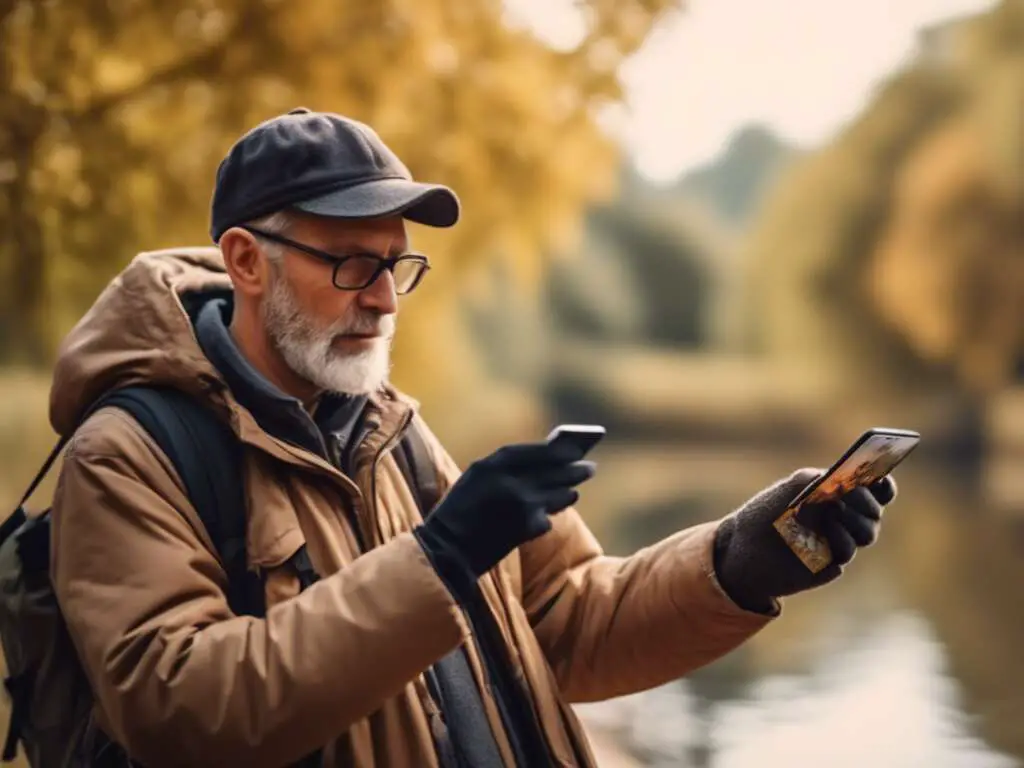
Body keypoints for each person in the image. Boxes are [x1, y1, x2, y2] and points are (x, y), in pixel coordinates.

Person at [48, 108, 898, 768]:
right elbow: (179, 711)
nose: (384, 300)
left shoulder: (397, 431)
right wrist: (441, 559)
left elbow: (569, 621)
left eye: (398, 266)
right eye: (352, 264)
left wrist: (737, 564)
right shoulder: (129, 451)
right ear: (244, 260)